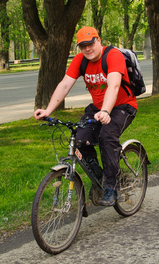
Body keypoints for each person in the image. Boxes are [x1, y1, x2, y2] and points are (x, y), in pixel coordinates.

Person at [33, 26, 137, 206]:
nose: (87, 49)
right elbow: (65, 84)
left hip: (123, 106)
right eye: (83, 46)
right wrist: (48, 110)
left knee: (107, 136)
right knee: (80, 140)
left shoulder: (113, 56)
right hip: (98, 108)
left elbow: (113, 86)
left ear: (98, 40)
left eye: (90, 44)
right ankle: (101, 179)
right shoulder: (81, 60)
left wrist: (105, 111)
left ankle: (111, 186)